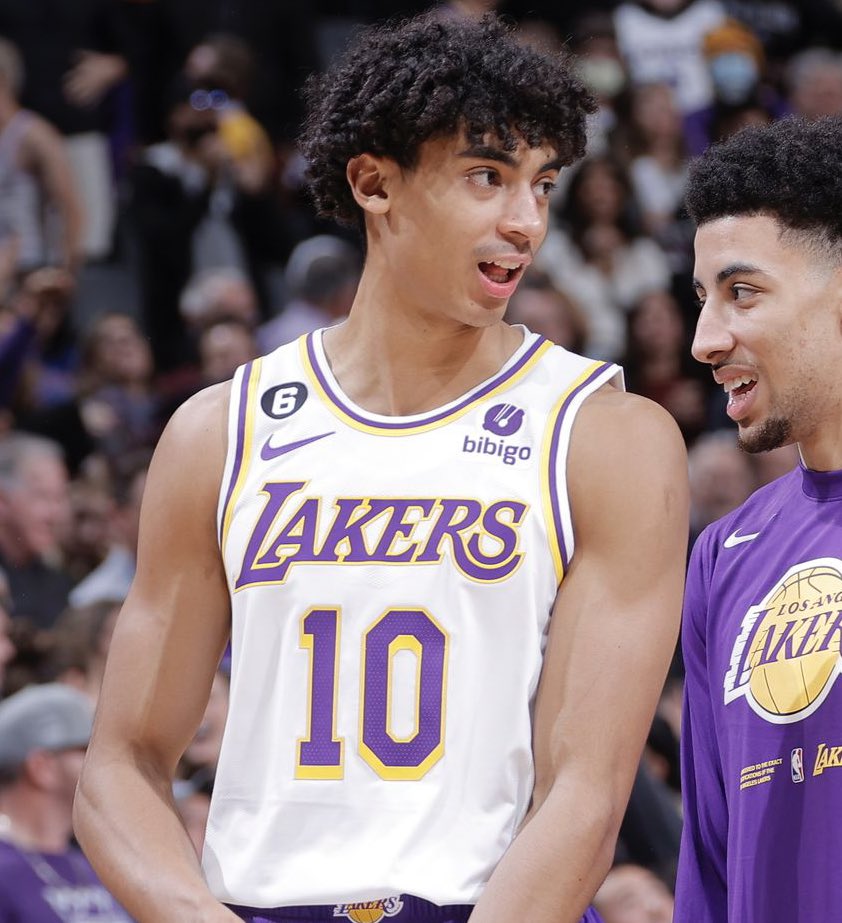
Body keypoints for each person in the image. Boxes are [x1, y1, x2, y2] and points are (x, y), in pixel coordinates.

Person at [74, 13, 689, 923]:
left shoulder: (604, 434)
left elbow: (585, 793)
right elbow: (120, 765)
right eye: (487, 176)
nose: (526, 221)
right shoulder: (221, 432)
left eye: (542, 184)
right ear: (373, 183)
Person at [676, 114, 842, 921]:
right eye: (702, 299)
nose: (705, 339)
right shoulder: (724, 552)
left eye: (741, 292)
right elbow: (710, 860)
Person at [0, 683, 131, 920]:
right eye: (87, 751)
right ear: (42, 768)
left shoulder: (96, 867)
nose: (107, 765)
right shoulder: (5, 869)